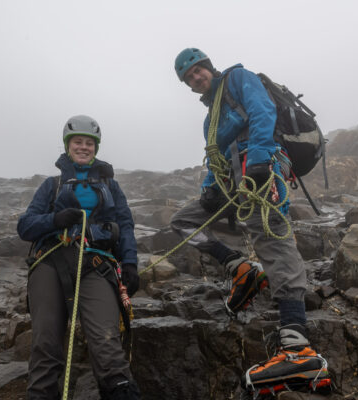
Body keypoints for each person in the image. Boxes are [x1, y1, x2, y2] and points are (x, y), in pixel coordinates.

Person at [171, 48, 329, 393]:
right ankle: (241, 270)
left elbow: (263, 111)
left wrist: (258, 161)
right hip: (232, 182)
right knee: (183, 222)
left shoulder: (239, 79)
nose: (197, 78)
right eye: (190, 77)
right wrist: (209, 190)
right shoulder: (209, 116)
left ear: (209, 68)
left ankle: (297, 347)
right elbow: (215, 158)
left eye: (199, 71)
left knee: (271, 237)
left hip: (262, 166)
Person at [17, 115, 141, 400]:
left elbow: (125, 226)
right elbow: (25, 226)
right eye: (78, 142)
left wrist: (130, 263)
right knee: (46, 344)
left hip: (95, 263)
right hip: (50, 261)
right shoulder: (52, 185)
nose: (84, 147)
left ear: (95, 147)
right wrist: (55, 219)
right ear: (68, 146)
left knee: (107, 343)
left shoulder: (111, 186)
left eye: (89, 143)